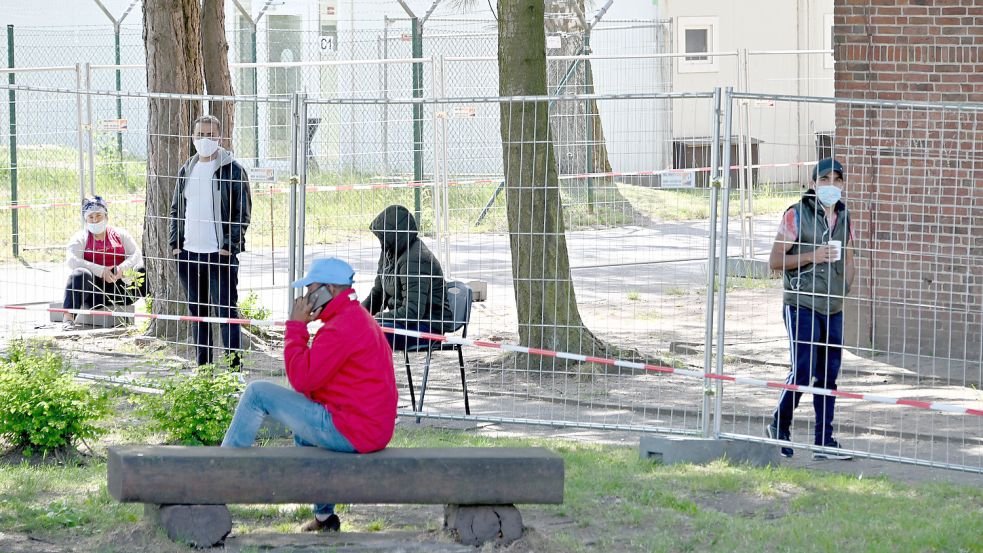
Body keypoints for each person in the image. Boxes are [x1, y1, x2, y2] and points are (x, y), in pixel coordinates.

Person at [221, 257, 397, 532]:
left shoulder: (340, 328)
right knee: (305, 434)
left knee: (257, 393)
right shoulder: (357, 318)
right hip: (370, 428)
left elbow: (301, 379)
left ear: (329, 290)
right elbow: (317, 383)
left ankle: (216, 477)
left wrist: (296, 327)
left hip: (354, 429)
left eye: (311, 290)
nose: (305, 298)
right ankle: (325, 519)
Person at [766, 158, 856, 460]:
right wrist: (813, 256)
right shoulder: (796, 215)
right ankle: (780, 425)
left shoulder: (844, 216)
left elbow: (851, 256)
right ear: (813, 183)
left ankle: (824, 441)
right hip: (801, 303)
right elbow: (775, 262)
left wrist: (844, 288)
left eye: (837, 179)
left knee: (828, 375)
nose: (831, 185)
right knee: (803, 371)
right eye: (825, 179)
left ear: (843, 184)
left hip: (832, 306)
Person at [170, 114, 252, 369]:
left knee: (227, 313)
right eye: (200, 135)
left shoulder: (233, 170)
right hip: (189, 256)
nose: (205, 139)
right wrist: (175, 245)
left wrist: (230, 246)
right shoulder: (187, 169)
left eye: (210, 134)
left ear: (219, 137)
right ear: (193, 137)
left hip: (220, 256)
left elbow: (242, 212)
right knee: (198, 315)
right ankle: (203, 368)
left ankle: (234, 369)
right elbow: (175, 210)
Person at [362, 204, 455, 351]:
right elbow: (377, 294)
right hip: (400, 322)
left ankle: (372, 374)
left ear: (394, 235)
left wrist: (378, 318)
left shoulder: (416, 259)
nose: (381, 241)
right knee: (353, 330)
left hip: (427, 326)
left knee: (365, 334)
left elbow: (412, 313)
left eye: (383, 235)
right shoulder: (389, 252)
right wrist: (355, 314)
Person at [62, 196, 146, 330]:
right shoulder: (81, 238)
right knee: (79, 274)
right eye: (91, 217)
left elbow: (136, 254)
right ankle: (68, 318)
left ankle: (156, 314)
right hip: (94, 295)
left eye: (99, 215)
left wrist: (120, 270)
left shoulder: (120, 234)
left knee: (142, 270)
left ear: (106, 216)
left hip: (121, 290)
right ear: (86, 219)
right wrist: (101, 271)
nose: (95, 220)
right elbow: (71, 260)